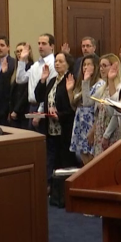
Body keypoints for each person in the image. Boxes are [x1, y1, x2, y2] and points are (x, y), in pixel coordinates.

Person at [33, 52, 78, 205]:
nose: (57, 64)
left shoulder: (70, 80)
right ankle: (52, 189)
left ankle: (64, 194)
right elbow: (39, 97)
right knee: (51, 159)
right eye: (56, 61)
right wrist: (43, 79)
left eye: (60, 61)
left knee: (64, 159)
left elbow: (73, 108)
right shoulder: (52, 81)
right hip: (50, 127)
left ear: (68, 64)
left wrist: (60, 116)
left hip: (64, 127)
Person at [70, 54, 103, 165]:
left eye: (89, 64)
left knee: (92, 160)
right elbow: (75, 104)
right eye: (84, 65)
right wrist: (70, 91)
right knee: (83, 158)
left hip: (91, 124)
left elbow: (87, 102)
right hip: (81, 124)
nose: (85, 67)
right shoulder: (82, 84)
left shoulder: (100, 84)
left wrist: (86, 82)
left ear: (96, 67)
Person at [16, 33, 57, 119]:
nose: (40, 46)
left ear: (52, 46)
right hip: (31, 106)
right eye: (39, 43)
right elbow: (20, 79)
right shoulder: (36, 65)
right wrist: (22, 60)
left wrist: (40, 112)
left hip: (43, 107)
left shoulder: (53, 64)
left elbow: (49, 90)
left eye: (44, 44)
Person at [93, 53, 121, 156]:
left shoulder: (119, 87)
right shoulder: (101, 88)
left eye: (104, 66)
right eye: (100, 66)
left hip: (111, 133)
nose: (101, 69)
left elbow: (114, 113)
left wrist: (106, 135)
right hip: (100, 131)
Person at [9, 42, 33, 128]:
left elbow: (26, 92)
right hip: (14, 109)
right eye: (17, 51)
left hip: (24, 109)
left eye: (21, 51)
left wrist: (16, 110)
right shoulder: (16, 68)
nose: (19, 53)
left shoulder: (32, 67)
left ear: (28, 51)